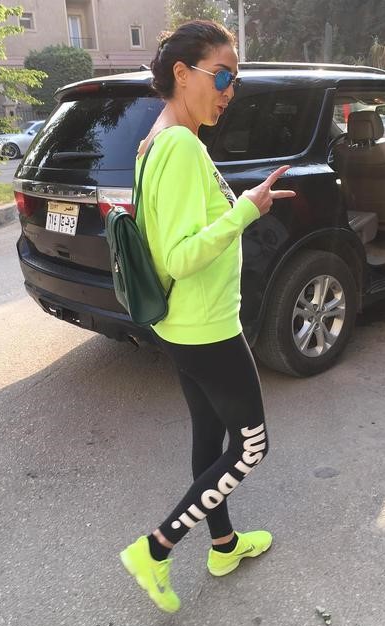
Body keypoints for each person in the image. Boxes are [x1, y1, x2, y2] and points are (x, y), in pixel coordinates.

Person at [119, 19, 296, 613]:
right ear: (182, 73)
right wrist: (245, 211)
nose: (229, 90)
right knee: (250, 447)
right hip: (206, 328)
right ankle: (157, 547)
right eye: (222, 76)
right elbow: (179, 255)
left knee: (209, 437)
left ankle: (223, 546)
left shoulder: (158, 140)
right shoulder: (179, 146)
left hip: (184, 325)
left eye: (234, 80)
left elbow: (183, 229)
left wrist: (241, 204)